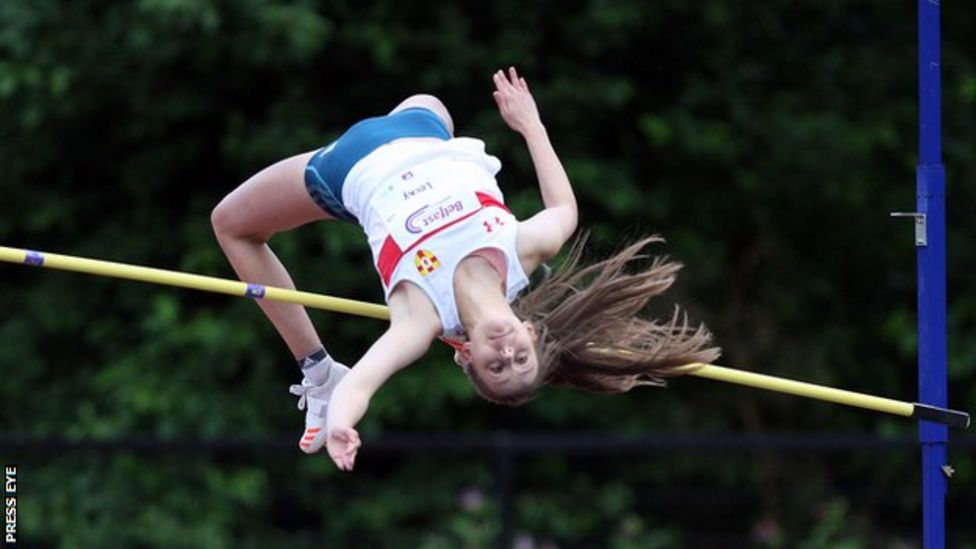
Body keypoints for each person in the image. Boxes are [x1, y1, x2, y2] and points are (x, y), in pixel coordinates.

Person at [211, 67, 719, 471]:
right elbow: (565, 211)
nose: (508, 354)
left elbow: (361, 384)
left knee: (231, 224)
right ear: (532, 330)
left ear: (466, 356)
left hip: (349, 166)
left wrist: (341, 421)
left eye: (496, 367)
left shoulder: (422, 318)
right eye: (522, 358)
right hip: (423, 129)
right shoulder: (523, 250)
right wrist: (531, 125)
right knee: (431, 101)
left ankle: (316, 370)